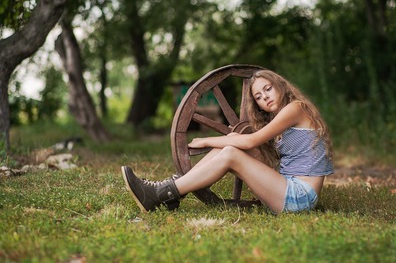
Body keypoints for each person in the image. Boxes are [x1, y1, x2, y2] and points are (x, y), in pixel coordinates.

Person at [122, 69, 333, 214]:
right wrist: (228, 139)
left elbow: (252, 141)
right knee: (232, 140)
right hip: (286, 188)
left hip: (299, 197)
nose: (264, 98)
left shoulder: (296, 108)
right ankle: (172, 190)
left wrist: (207, 141)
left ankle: (160, 194)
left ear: (280, 85)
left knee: (231, 152)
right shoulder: (282, 116)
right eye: (258, 97)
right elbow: (247, 142)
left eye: (268, 89)